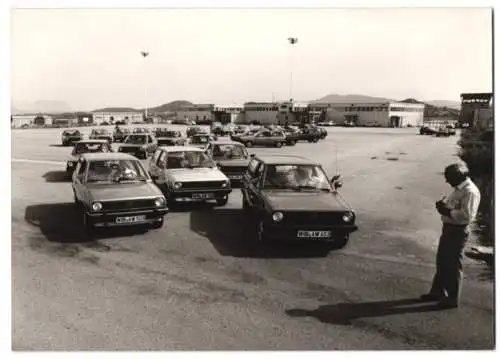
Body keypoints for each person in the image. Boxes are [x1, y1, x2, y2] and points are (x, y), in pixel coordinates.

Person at [421, 163, 481, 309]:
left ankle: (452, 298)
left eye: (449, 178)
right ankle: (438, 291)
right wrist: (443, 206)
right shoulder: (459, 189)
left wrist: (447, 211)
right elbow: (454, 207)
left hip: (457, 231)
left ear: (459, 176)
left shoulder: (470, 191)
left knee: (453, 265)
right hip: (449, 229)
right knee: (442, 261)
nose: (447, 181)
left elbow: (467, 216)